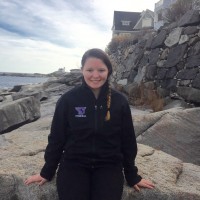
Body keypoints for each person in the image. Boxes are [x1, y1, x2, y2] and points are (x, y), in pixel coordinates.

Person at [24, 48, 154, 200]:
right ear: (82, 70)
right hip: (73, 164)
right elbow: (57, 138)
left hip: (109, 165)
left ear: (109, 71)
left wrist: (132, 176)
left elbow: (128, 141)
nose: (95, 75)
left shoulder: (120, 102)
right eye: (90, 70)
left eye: (101, 70)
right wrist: (47, 171)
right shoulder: (68, 100)